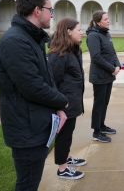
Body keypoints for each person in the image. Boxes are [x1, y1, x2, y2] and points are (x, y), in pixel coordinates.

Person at [0, 0, 69, 190]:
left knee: (32, 181)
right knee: (27, 184)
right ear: (37, 10)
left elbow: (47, 77)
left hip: (35, 123)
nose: (52, 14)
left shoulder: (31, 38)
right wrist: (62, 100)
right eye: (50, 10)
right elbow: (32, 86)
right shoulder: (15, 41)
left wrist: (58, 108)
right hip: (25, 127)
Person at [48, 18, 85, 180]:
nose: (81, 32)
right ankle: (62, 168)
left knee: (68, 133)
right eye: (79, 29)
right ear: (69, 31)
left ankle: (67, 156)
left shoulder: (72, 50)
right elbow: (52, 82)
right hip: (65, 103)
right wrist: (59, 105)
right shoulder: (59, 54)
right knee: (63, 135)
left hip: (72, 100)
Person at [86, 10, 120, 143]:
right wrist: (112, 68)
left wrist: (117, 65)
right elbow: (96, 57)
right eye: (105, 19)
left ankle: (102, 125)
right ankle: (96, 132)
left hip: (108, 75)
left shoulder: (106, 33)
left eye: (108, 18)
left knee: (104, 102)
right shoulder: (93, 36)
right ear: (98, 21)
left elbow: (112, 51)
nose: (108, 21)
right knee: (99, 103)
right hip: (100, 75)